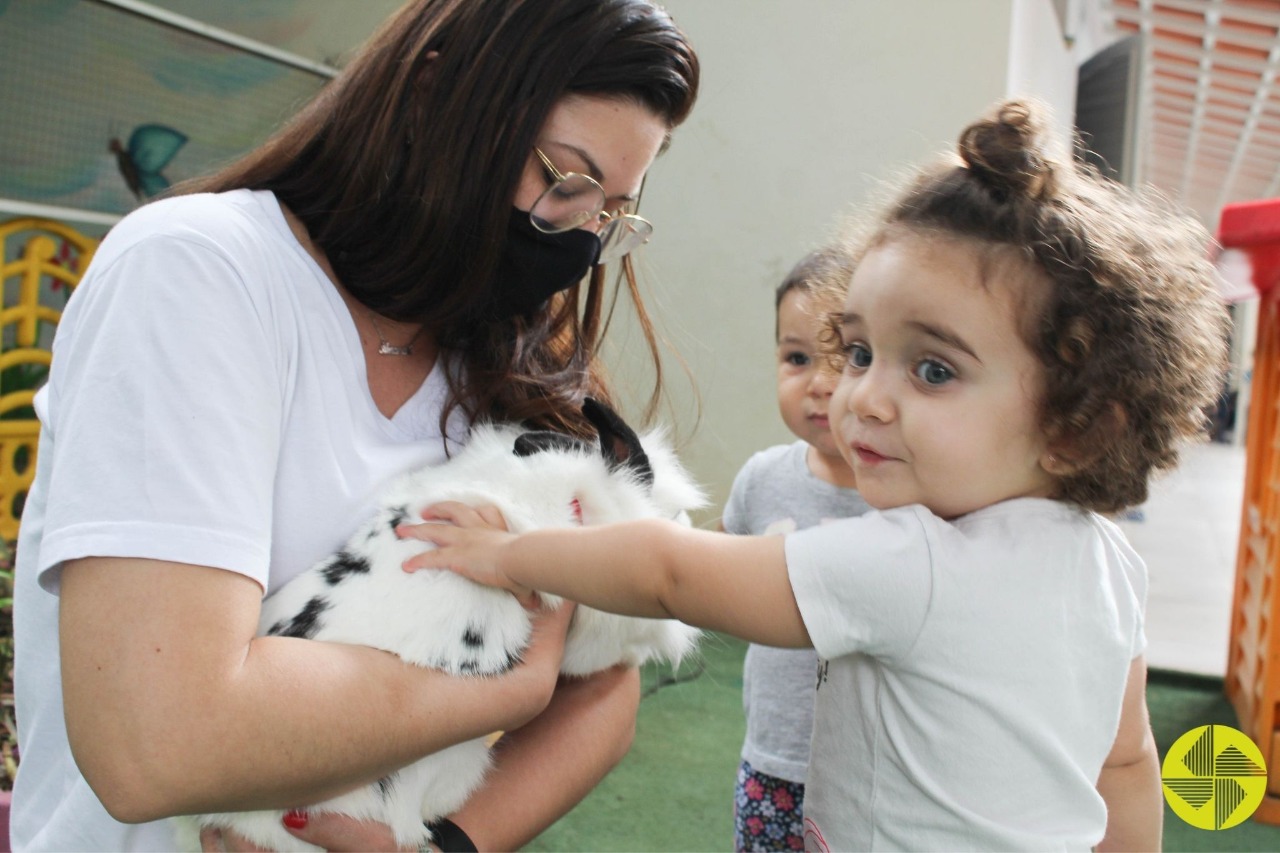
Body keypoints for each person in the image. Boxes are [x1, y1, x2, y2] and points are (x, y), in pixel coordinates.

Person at [405, 99, 1230, 851]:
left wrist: (513, 553)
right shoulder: (1114, 566)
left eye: (934, 370)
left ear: (1077, 426)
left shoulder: (916, 562)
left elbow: (668, 570)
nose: (862, 396)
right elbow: (1124, 762)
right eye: (862, 350)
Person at [11, 1, 698, 850]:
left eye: (610, 214)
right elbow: (155, 747)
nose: (575, 235)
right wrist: (508, 692)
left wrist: (450, 844)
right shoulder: (200, 272)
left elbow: (604, 687)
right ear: (430, 95)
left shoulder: (507, 350)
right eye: (563, 178)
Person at [725, 249, 870, 852]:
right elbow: (727, 578)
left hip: (869, 776)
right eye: (797, 358)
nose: (819, 383)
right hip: (772, 762)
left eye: (847, 359)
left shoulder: (910, 504)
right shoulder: (763, 479)